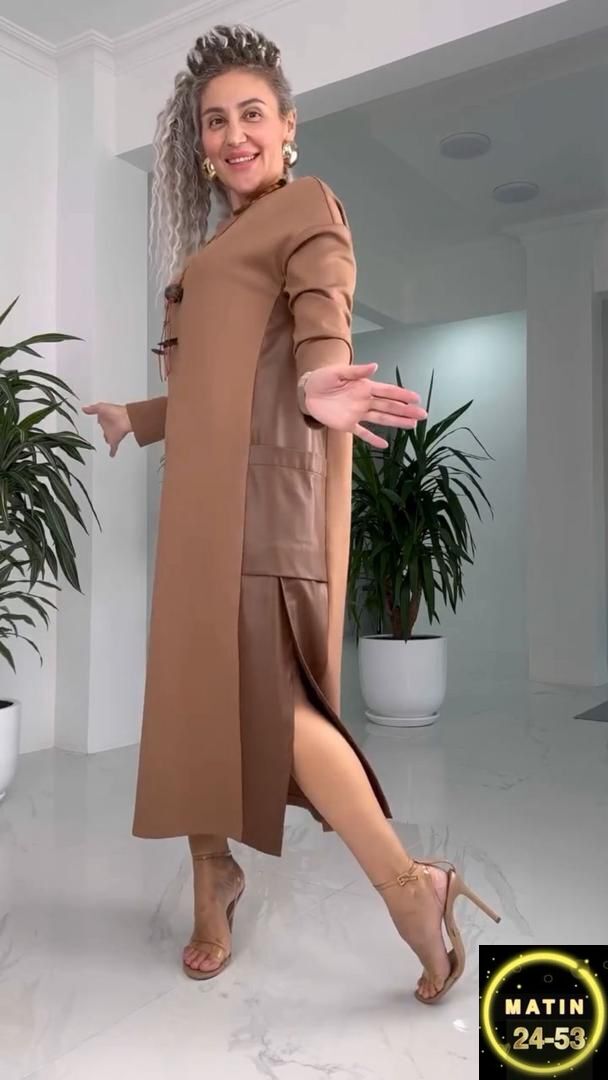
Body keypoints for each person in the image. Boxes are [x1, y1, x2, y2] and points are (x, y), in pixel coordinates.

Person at [83, 24, 499, 1004]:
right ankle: (211, 877)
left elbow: (322, 316)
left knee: (281, 711)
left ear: (287, 125)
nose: (233, 135)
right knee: (191, 694)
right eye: (213, 121)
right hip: (200, 503)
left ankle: (411, 888)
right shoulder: (216, 245)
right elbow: (216, 383)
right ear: (198, 143)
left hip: (265, 499)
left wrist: (322, 380)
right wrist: (139, 415)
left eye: (251, 115)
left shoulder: (306, 209)